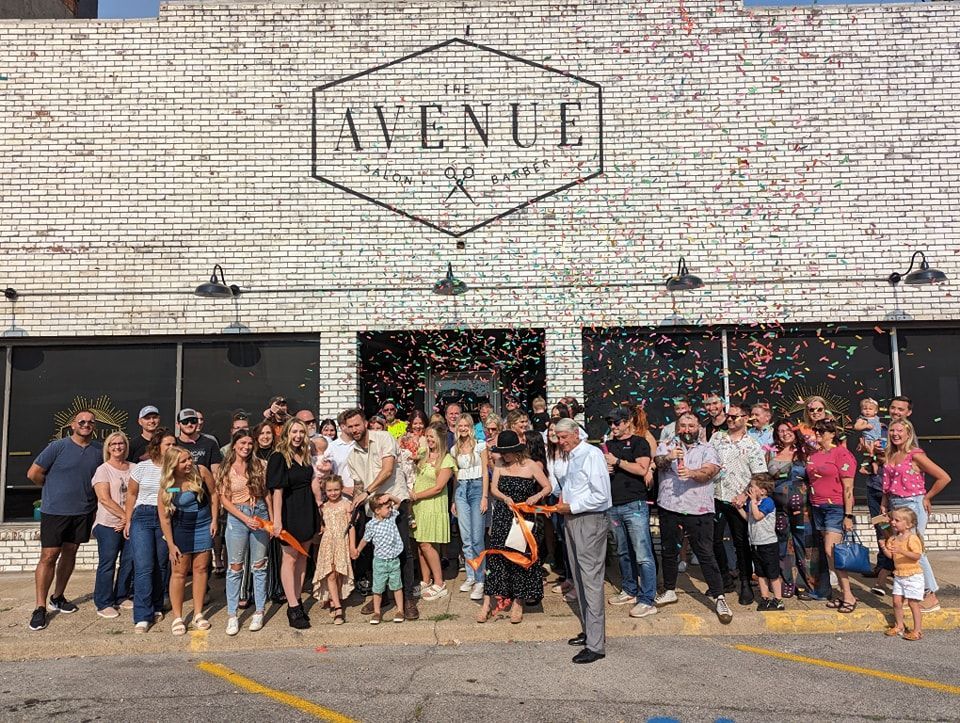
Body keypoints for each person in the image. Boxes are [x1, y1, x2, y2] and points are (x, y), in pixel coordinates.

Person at [26, 409, 102, 631]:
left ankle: (57, 597)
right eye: (82, 421)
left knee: (70, 553)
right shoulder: (57, 447)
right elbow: (33, 473)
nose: (86, 425)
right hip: (55, 512)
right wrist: (52, 490)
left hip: (83, 512)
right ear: (73, 425)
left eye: (90, 422)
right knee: (49, 556)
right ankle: (40, 607)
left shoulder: (98, 451)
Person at [653, 412, 732, 625]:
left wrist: (692, 472)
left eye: (691, 426)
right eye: (683, 426)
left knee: (705, 553)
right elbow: (658, 462)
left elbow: (710, 472)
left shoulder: (708, 449)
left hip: (699, 509)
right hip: (669, 506)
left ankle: (719, 596)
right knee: (669, 551)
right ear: (678, 427)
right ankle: (669, 590)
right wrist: (668, 457)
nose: (687, 429)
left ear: (699, 428)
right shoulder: (667, 445)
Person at [343, 408, 419, 620]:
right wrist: (355, 503)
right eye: (350, 426)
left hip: (395, 501)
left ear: (365, 423)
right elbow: (358, 485)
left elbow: (387, 470)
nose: (354, 429)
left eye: (357, 424)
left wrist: (367, 492)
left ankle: (407, 599)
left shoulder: (383, 437)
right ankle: (383, 596)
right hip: (373, 509)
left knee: (403, 550)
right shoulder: (352, 456)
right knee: (378, 554)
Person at [552, 419, 612, 663]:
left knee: (591, 579)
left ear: (576, 434)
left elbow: (601, 495)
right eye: (558, 437)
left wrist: (572, 506)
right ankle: (590, 632)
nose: (560, 442)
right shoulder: (573, 456)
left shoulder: (592, 454)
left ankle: (596, 645)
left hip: (589, 519)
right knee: (578, 576)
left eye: (564, 437)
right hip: (573, 518)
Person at [477, 430, 551, 625]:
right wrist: (504, 498)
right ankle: (488, 603)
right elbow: (494, 489)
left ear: (516, 451)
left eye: (507, 452)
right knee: (496, 558)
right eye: (501, 452)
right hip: (503, 514)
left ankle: (518, 602)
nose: (504, 456)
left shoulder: (531, 465)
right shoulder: (500, 464)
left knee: (519, 558)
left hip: (522, 517)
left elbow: (547, 486)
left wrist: (535, 497)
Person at [880, 419, 951, 613]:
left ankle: (930, 595)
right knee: (901, 547)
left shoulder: (915, 455)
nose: (895, 434)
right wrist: (884, 505)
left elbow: (944, 477)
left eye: (899, 431)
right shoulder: (890, 454)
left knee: (916, 549)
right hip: (895, 504)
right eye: (892, 430)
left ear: (908, 433)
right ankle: (913, 593)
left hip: (912, 504)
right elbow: (887, 487)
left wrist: (927, 497)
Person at [710, 400, 768, 605]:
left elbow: (760, 474)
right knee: (714, 540)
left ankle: (744, 582)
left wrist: (745, 494)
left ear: (745, 419)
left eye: (735, 416)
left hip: (738, 501)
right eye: (729, 416)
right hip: (717, 496)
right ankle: (723, 579)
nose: (730, 419)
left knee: (741, 542)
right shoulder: (717, 438)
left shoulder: (752, 445)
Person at [157, 446, 219, 634]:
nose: (189, 463)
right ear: (173, 465)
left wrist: (215, 520)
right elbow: (164, 517)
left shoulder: (201, 471)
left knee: (201, 569)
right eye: (183, 461)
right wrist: (170, 543)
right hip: (181, 528)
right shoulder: (170, 484)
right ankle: (177, 617)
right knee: (179, 572)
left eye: (189, 459)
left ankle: (199, 613)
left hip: (203, 525)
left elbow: (214, 494)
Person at [601, 408, 656, 619]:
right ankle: (629, 589)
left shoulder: (639, 442)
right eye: (611, 423)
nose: (613, 427)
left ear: (626, 423)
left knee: (643, 554)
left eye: (616, 423)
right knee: (623, 552)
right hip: (613, 505)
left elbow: (642, 469)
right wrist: (606, 468)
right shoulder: (608, 446)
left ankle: (647, 599)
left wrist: (617, 462)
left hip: (635, 504)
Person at [216, 430, 270, 636]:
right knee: (235, 567)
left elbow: (267, 495)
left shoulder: (260, 466)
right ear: (235, 444)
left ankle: (259, 611)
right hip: (238, 517)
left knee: (259, 566)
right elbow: (224, 499)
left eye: (249, 443)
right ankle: (232, 614)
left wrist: (270, 520)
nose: (246, 447)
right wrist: (244, 517)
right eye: (242, 442)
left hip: (259, 514)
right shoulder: (226, 468)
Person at [767, 420, 828, 600]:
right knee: (782, 544)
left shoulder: (806, 451)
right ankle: (787, 583)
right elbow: (765, 478)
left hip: (804, 508)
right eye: (780, 431)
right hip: (779, 507)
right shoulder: (771, 452)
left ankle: (810, 585)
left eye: (787, 429)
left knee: (806, 545)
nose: (784, 433)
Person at [267, 418, 319, 628]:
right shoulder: (279, 457)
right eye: (293, 432)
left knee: (302, 558)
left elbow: (312, 483)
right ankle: (293, 607)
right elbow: (277, 491)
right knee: (289, 559)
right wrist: (277, 521)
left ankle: (297, 600)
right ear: (286, 434)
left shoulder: (305, 456)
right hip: (290, 511)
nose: (297, 436)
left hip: (307, 509)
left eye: (301, 432)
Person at [126, 428, 176, 632]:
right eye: (168, 444)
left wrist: (170, 490)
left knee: (161, 564)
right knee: (144, 565)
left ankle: (157, 605)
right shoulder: (141, 468)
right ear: (157, 447)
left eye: (174, 444)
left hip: (166, 516)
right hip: (143, 516)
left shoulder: (176, 469)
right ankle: (142, 615)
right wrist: (128, 520)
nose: (172, 447)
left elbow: (178, 490)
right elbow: (131, 494)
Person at [808, 419, 858, 613]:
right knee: (829, 555)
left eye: (822, 431)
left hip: (835, 506)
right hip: (817, 505)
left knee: (832, 551)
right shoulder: (814, 454)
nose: (818, 433)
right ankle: (839, 592)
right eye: (816, 430)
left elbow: (848, 486)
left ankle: (849, 595)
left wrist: (848, 515)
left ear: (832, 433)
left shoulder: (841, 453)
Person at [91, 432, 134, 619]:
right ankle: (103, 602)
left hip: (130, 524)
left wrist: (128, 520)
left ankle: (122, 595)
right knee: (107, 563)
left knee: (128, 561)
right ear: (107, 447)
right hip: (108, 524)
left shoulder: (134, 468)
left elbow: (140, 495)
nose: (117, 447)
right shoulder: (103, 470)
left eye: (121, 443)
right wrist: (125, 517)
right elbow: (104, 499)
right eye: (113, 444)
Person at [411, 424, 455, 601]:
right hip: (419, 506)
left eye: (432, 437)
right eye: (427, 436)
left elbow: (438, 488)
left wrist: (416, 495)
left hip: (432, 504)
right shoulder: (423, 454)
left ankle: (439, 582)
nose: (429, 440)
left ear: (440, 438)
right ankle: (425, 579)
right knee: (421, 544)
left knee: (428, 544)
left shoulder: (446, 459)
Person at [352, 493, 406, 624]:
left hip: (393, 559)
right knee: (377, 588)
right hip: (380, 561)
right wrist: (358, 549)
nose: (390, 508)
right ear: (377, 510)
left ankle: (400, 610)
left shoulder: (391, 517)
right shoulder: (371, 525)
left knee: (397, 586)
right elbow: (365, 539)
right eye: (387, 507)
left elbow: (399, 502)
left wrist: (389, 496)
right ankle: (377, 612)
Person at [452, 414, 489, 601]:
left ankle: (481, 578)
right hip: (461, 490)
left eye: (466, 425)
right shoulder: (454, 449)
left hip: (476, 488)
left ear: (471, 427)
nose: (463, 428)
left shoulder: (481, 445)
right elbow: (454, 477)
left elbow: (485, 472)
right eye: (461, 425)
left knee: (477, 537)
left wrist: (484, 496)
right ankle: (471, 575)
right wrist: (453, 500)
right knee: (466, 538)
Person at [739, 473, 784, 611]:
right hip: (755, 543)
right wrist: (739, 507)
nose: (750, 490)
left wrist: (752, 501)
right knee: (760, 573)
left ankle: (778, 599)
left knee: (772, 573)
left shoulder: (767, 502)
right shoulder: (753, 503)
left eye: (753, 487)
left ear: (763, 490)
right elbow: (749, 518)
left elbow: (758, 516)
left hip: (768, 543)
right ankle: (764, 597)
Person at [314, 475, 354, 625]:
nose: (333, 493)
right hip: (328, 543)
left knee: (338, 573)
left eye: (336, 489)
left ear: (341, 489)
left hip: (341, 542)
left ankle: (334, 596)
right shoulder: (323, 507)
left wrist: (352, 546)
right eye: (330, 490)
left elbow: (351, 527)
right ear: (325, 491)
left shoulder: (346, 505)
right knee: (330, 574)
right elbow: (322, 525)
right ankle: (338, 607)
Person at [882, 507, 926, 640]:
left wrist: (902, 550)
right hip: (899, 575)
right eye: (893, 519)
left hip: (913, 575)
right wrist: (884, 547)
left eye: (897, 520)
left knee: (913, 603)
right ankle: (899, 625)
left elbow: (916, 556)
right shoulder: (893, 538)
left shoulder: (912, 538)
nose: (893, 522)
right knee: (896, 601)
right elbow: (891, 556)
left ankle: (917, 630)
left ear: (908, 524)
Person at [175, 408, 223, 475]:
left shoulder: (210, 444)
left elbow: (216, 473)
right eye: (185, 421)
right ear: (178, 424)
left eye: (193, 421)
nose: (189, 424)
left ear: (197, 423)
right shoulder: (174, 444)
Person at [398, 409, 429, 487]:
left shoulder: (428, 438)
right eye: (415, 423)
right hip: (406, 475)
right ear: (410, 424)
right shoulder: (405, 437)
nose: (418, 426)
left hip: (422, 474)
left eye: (421, 423)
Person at [854, 397, 884, 476]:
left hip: (877, 439)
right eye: (865, 409)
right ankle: (865, 466)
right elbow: (856, 427)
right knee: (871, 453)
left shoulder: (876, 418)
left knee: (879, 455)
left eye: (870, 409)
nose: (867, 410)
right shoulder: (863, 419)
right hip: (868, 439)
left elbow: (877, 425)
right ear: (861, 410)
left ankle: (875, 464)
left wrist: (880, 425)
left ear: (875, 411)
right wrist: (865, 426)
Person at [327, 409, 357, 481]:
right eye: (350, 425)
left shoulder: (360, 444)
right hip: (340, 490)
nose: (354, 428)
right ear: (343, 426)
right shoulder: (331, 447)